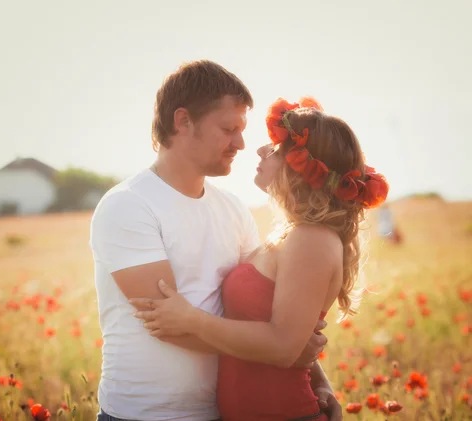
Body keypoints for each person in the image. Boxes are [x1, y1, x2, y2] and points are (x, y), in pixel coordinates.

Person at [90, 61, 339, 421]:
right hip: (142, 414)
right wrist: (283, 348)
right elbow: (170, 324)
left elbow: (261, 312)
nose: (240, 143)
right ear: (183, 121)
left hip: (221, 412)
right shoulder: (128, 205)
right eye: (228, 129)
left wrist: (317, 377)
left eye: (241, 130)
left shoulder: (233, 209)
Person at [132, 97, 389, 420]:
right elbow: (287, 339)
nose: (259, 151)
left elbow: (283, 347)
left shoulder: (312, 240)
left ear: (302, 165)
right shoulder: (290, 234)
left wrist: (192, 319)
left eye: (275, 148)